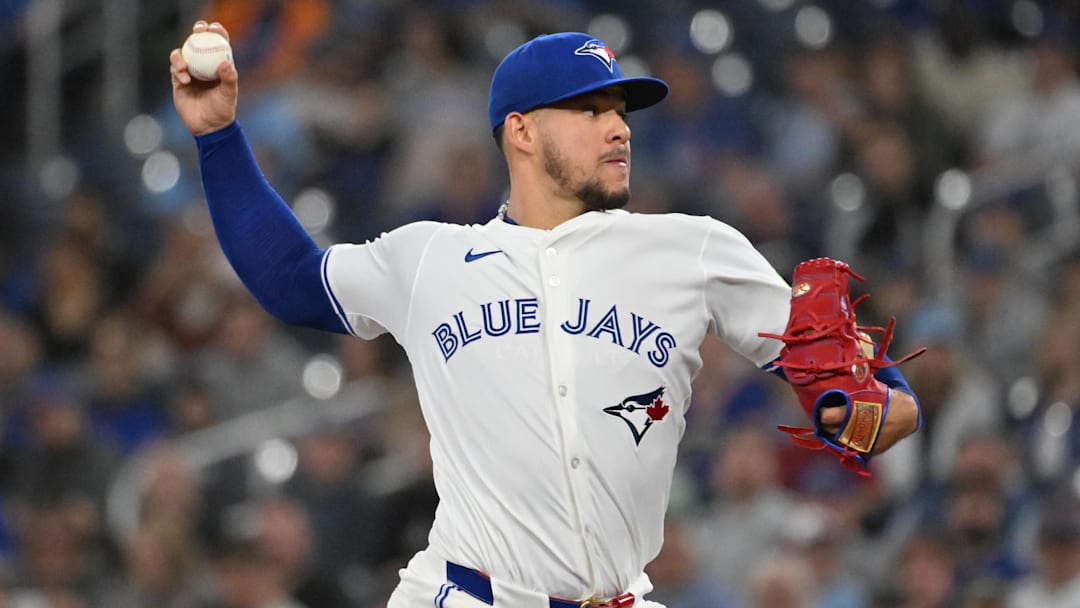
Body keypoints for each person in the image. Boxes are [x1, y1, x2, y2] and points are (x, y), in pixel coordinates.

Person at [169, 21, 922, 608]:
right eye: (590, 109)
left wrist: (879, 409)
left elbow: (869, 399)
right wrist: (218, 139)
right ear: (520, 131)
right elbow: (293, 280)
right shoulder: (431, 257)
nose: (618, 127)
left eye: (620, 110)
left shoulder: (693, 250)